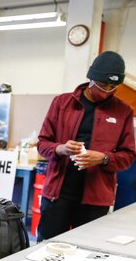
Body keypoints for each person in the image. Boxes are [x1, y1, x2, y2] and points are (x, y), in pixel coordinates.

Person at [37, 51, 135, 241]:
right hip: (59, 195)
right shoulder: (62, 103)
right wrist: (61, 149)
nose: (107, 91)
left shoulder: (123, 111)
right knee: (46, 246)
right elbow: (42, 143)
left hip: (96, 199)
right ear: (91, 79)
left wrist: (104, 158)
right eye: (103, 85)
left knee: (86, 250)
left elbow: (129, 155)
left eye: (113, 87)